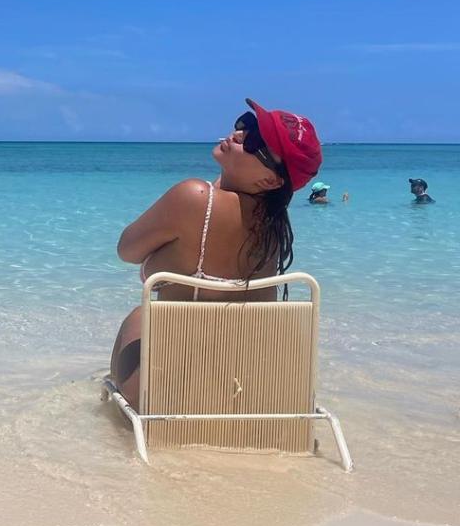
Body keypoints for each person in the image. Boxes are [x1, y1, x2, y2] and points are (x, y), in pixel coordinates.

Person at [110, 99, 321, 409]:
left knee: (141, 315)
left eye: (255, 141)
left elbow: (126, 249)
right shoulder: (274, 226)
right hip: (243, 385)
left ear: (271, 180)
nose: (238, 135)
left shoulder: (194, 197)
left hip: (174, 387)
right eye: (246, 124)